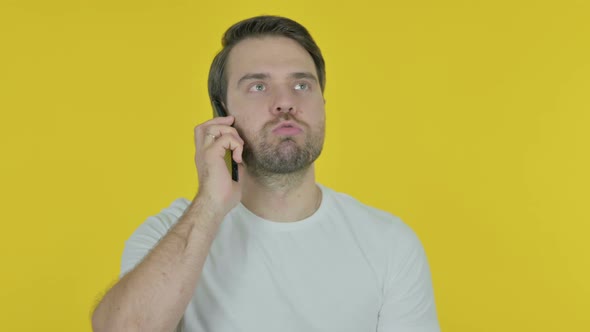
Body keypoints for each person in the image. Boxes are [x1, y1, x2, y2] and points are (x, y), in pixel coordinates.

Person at [92, 15, 440, 332]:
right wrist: (211, 204)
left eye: (302, 85)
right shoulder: (167, 236)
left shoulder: (390, 244)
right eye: (258, 86)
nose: (285, 102)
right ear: (221, 112)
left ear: (323, 102)